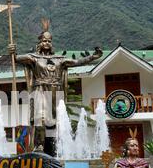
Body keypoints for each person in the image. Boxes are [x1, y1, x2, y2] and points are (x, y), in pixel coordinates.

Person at [8, 19, 103, 153]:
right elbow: (16, 59)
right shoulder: (33, 58)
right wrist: (13, 52)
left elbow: (77, 61)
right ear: (39, 43)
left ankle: (53, 148)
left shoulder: (60, 59)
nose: (46, 43)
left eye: (49, 41)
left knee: (53, 122)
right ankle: (38, 146)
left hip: (55, 92)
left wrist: (92, 57)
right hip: (40, 89)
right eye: (44, 41)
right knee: (39, 119)